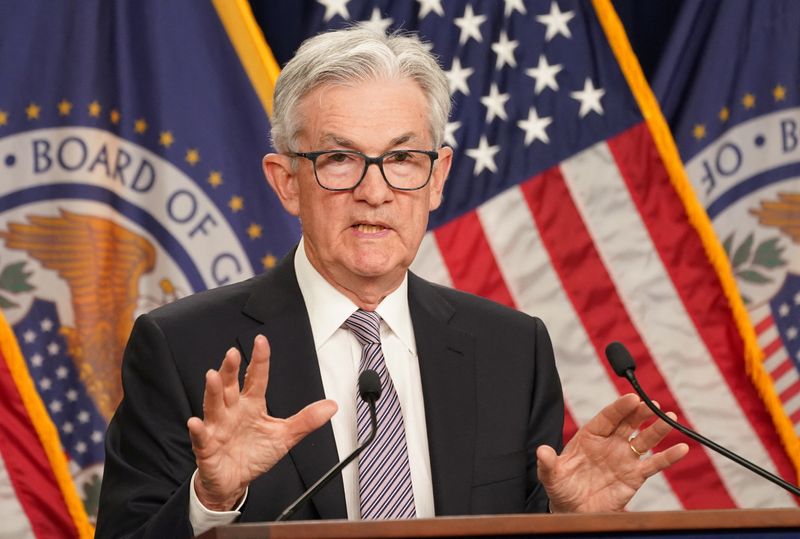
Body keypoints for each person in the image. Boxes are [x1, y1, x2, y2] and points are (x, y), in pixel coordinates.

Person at [96, 25, 688, 538]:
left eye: (402, 160)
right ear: (284, 181)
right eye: (339, 159)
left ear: (437, 178)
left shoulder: (512, 349)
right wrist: (212, 501)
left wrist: (566, 517)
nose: (374, 192)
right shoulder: (182, 349)